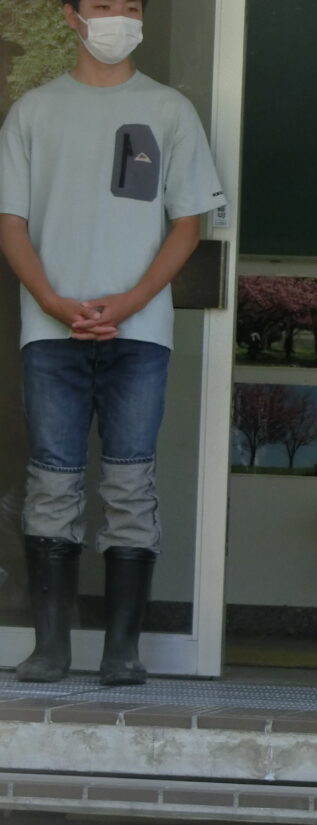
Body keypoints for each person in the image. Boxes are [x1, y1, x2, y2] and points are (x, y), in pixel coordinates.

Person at [0, 0, 227, 685]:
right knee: (52, 482)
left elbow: (188, 225)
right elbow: (11, 223)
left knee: (131, 483)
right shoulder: (33, 111)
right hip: (51, 330)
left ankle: (122, 653)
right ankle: (51, 649)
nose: (118, 19)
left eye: (130, 7)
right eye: (103, 5)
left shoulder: (169, 110)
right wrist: (50, 299)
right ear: (71, 17)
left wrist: (130, 302)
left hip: (141, 332)